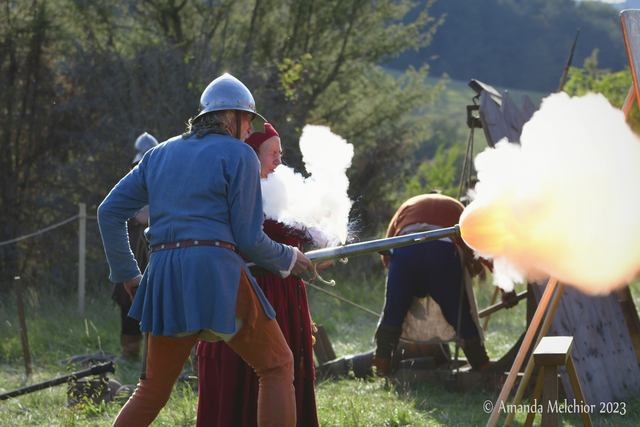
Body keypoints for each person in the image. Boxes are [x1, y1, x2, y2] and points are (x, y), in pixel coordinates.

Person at [97, 73, 313, 427]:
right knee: (277, 366)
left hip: (164, 277)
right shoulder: (241, 154)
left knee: (151, 389)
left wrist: (129, 275)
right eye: (247, 122)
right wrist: (289, 258)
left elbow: (108, 212)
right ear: (232, 117)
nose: (248, 132)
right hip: (217, 276)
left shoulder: (158, 154)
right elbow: (248, 239)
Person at [196, 123, 320, 427]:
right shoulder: (240, 187)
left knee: (282, 367)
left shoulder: (278, 186)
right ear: (252, 154)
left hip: (285, 290)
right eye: (272, 153)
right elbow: (257, 237)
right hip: (254, 286)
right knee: (254, 367)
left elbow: (298, 229)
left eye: (280, 153)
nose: (278, 160)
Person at [374, 192, 490, 376]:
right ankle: (483, 368)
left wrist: (398, 275)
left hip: (404, 251)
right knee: (460, 317)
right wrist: (505, 290)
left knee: (392, 315)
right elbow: (478, 249)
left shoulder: (408, 203)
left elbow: (388, 246)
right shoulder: (457, 207)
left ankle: (381, 370)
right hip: (442, 253)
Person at [111, 132, 158, 359]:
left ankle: (159, 356)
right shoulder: (129, 186)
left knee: (161, 301)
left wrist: (150, 216)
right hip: (133, 255)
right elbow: (122, 214)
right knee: (127, 299)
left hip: (158, 252)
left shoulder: (164, 186)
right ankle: (130, 351)